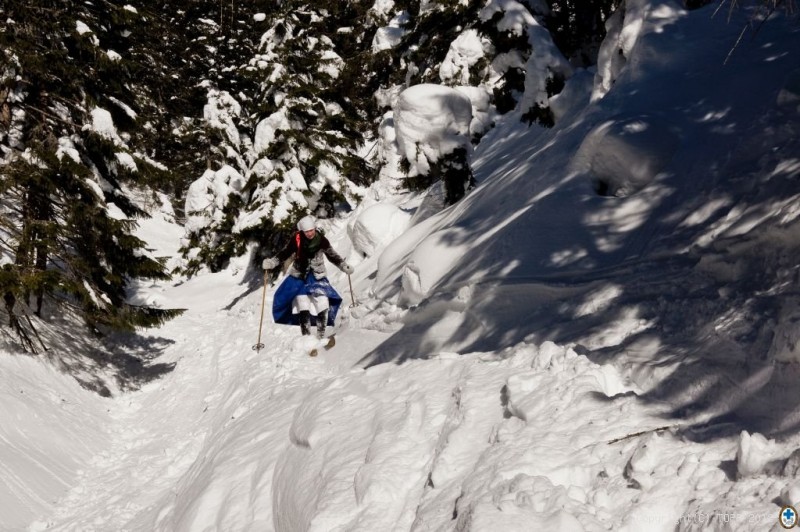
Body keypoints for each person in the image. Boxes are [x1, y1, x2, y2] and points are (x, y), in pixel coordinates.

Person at [263, 215, 353, 340]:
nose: (310, 233)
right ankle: (306, 337)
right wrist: (272, 262)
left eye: (311, 230)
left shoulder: (321, 240)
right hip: (299, 276)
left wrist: (343, 265)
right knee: (303, 303)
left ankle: (321, 335)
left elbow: (332, 255)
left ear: (315, 229)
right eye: (307, 232)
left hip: (317, 275)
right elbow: (285, 252)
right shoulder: (297, 239)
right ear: (302, 231)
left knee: (323, 301)